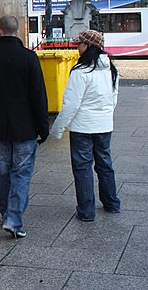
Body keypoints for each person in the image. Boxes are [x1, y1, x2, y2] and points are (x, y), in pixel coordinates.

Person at [0, 15, 49, 239]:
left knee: (3, 173)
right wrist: (43, 128)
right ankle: (13, 219)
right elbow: (39, 97)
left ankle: (6, 213)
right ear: (17, 32)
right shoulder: (29, 58)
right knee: (21, 173)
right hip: (25, 128)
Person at [50, 29, 121, 222]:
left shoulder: (81, 71)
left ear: (88, 46)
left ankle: (86, 211)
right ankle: (112, 203)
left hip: (82, 128)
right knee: (105, 165)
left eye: (79, 44)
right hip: (104, 126)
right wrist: (104, 115)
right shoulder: (111, 69)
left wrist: (57, 130)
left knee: (82, 168)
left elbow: (71, 104)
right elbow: (113, 98)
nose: (77, 47)